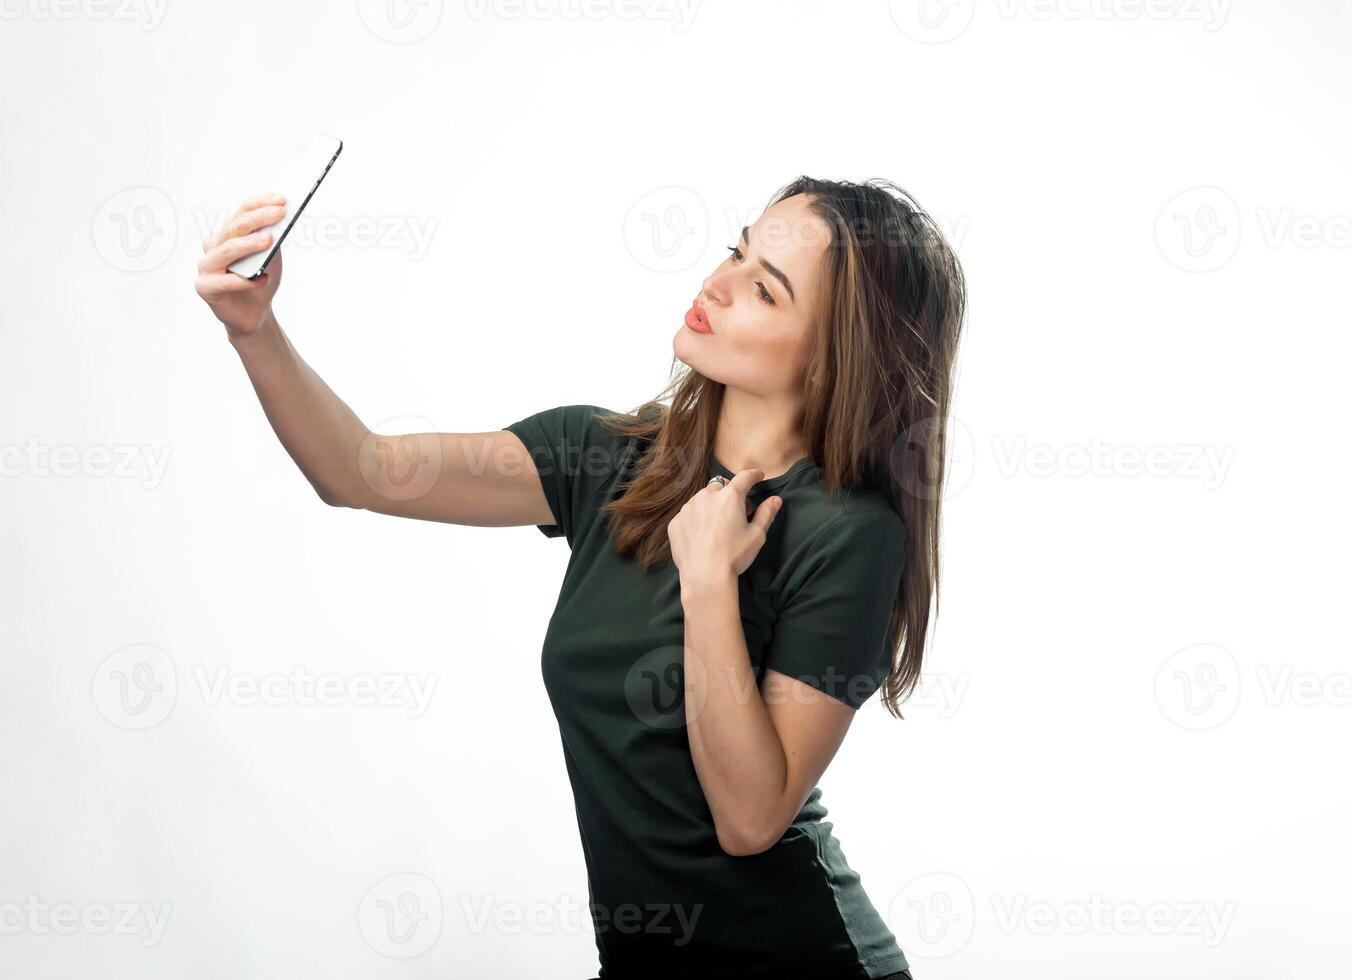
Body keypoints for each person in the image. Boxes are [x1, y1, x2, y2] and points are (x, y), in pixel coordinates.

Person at [195, 174, 966, 979]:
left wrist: (709, 585)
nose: (717, 283)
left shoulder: (849, 532)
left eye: (764, 292)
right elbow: (362, 471)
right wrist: (255, 330)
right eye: (736, 252)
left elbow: (750, 817)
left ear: (838, 354)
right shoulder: (606, 458)